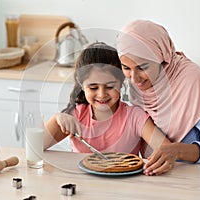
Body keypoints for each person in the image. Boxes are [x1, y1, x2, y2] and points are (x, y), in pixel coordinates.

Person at [116, 19, 200, 174]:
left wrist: (178, 151)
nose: (134, 78)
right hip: (169, 177)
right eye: (126, 67)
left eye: (143, 67)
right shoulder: (137, 85)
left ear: (161, 57)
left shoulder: (192, 80)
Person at [43, 42, 172, 175]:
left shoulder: (135, 116)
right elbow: (34, 146)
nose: (102, 94)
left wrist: (160, 162)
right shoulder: (75, 116)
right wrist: (56, 119)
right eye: (93, 88)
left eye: (110, 87)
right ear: (81, 84)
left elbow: (166, 149)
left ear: (121, 82)